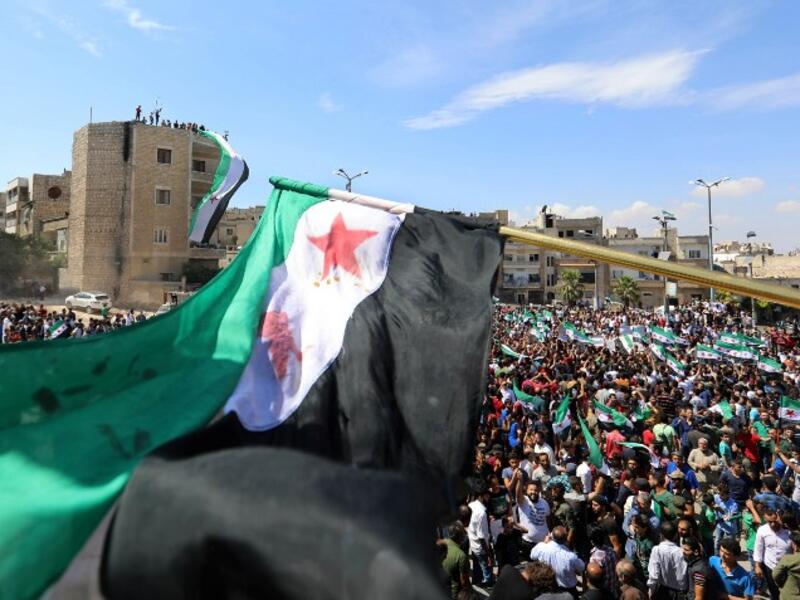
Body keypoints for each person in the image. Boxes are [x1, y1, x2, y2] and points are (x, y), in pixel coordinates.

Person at [530, 526, 585, 593]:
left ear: (551, 535)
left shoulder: (541, 547)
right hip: (567, 590)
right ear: (566, 539)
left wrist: (544, 542)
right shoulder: (571, 557)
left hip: (548, 587)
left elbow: (532, 556)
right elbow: (582, 567)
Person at [754, 508, 792, 600]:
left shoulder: (789, 530)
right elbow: (758, 549)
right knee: (774, 591)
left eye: (775, 521)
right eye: (769, 522)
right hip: (770, 567)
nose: (773, 524)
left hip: (787, 568)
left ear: (779, 517)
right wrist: (757, 566)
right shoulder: (762, 530)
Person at [647, 521, 688, 600]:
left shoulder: (657, 550)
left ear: (661, 535)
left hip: (664, 592)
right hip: (680, 593)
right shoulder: (682, 552)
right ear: (676, 535)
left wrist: (651, 590)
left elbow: (654, 575)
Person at [467, 484, 494, 588]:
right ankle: (488, 585)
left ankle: (477, 583)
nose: (489, 497)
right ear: (482, 496)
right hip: (481, 547)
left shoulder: (471, 505)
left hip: (473, 544)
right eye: (487, 495)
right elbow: (481, 536)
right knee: (487, 569)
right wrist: (488, 554)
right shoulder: (481, 512)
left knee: (477, 567)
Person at [516, 479, 550, 556]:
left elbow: (548, 520)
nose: (533, 492)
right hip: (527, 543)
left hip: (543, 543)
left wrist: (549, 535)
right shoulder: (524, 501)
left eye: (535, 490)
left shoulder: (544, 503)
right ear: (526, 490)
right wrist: (519, 481)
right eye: (531, 490)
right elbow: (518, 494)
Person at [441, 523, 470, 599]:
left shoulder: (441, 543)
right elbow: (464, 582)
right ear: (461, 537)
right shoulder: (461, 555)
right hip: (454, 593)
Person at [773, 531, 800, 600]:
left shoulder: (788, 559)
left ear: (795, 545)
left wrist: (781, 584)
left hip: (789, 595)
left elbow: (775, 574)